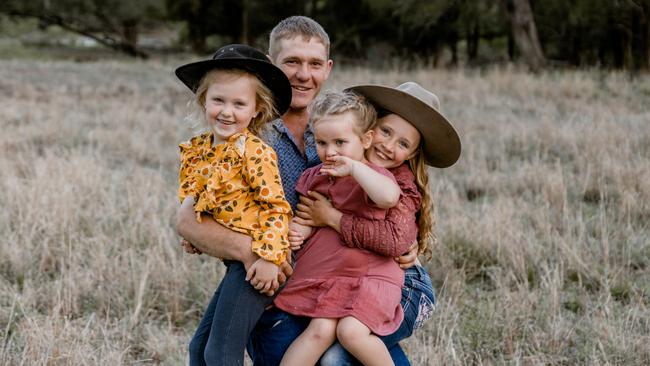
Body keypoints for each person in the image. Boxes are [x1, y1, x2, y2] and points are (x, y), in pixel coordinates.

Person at [176, 16, 445, 365]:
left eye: (314, 64)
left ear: (328, 68)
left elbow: (395, 198)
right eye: (292, 62)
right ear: (272, 65)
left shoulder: (343, 119)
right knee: (206, 349)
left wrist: (404, 241)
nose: (304, 75)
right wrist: (254, 253)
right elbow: (189, 218)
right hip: (294, 278)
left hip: (366, 274)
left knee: (339, 353)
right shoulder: (249, 129)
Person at [294, 81, 461, 366]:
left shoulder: (400, 183)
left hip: (405, 287)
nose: (388, 145)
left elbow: (393, 241)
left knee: (338, 352)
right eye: (386, 132)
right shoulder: (339, 158)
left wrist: (331, 218)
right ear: (368, 132)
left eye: (403, 144)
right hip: (354, 278)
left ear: (411, 154)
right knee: (325, 335)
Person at [174, 43, 294, 366]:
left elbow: (276, 208)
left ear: (256, 109)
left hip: (259, 264)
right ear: (203, 100)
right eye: (218, 100)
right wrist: (193, 236)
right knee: (199, 350)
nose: (227, 111)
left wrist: (268, 258)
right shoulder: (199, 150)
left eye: (239, 103)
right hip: (237, 263)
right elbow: (198, 198)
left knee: (221, 353)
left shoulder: (255, 153)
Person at [274, 91, 403, 366]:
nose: (330, 152)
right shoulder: (316, 177)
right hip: (331, 275)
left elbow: (388, 197)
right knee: (319, 332)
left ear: (366, 140)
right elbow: (307, 216)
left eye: (340, 143)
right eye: (321, 142)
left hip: (369, 277)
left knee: (350, 332)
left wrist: (355, 169)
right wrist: (299, 230)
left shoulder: (371, 176)